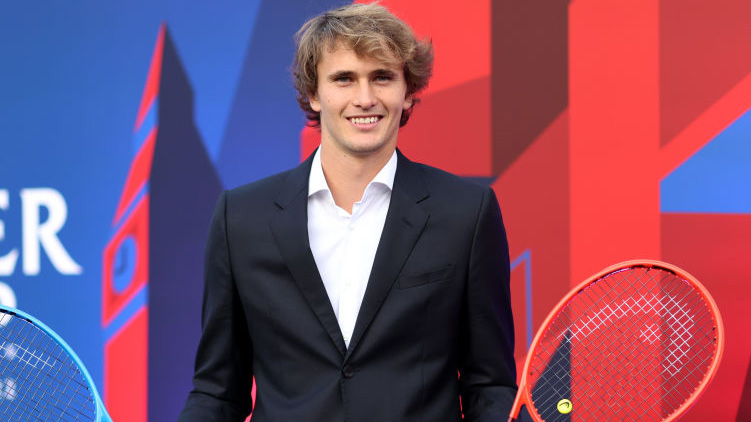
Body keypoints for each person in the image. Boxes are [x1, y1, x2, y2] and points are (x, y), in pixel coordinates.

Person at [178, 3, 518, 421]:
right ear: (313, 94)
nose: (365, 98)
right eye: (344, 79)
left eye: (382, 77)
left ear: (408, 91)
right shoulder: (241, 218)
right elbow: (218, 392)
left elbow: (490, 386)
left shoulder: (467, 212)